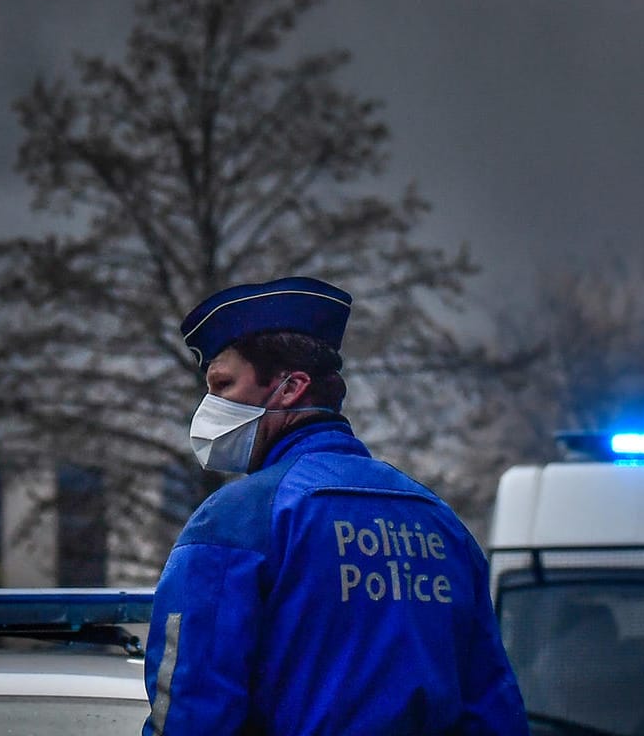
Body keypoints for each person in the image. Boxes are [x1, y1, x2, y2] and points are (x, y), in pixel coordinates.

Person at [142, 276, 529, 735]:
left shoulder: (234, 522)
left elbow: (193, 708)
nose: (209, 407)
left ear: (290, 388)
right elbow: (492, 707)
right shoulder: (439, 521)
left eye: (222, 385)